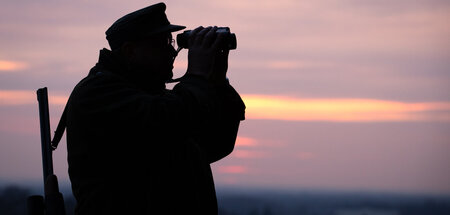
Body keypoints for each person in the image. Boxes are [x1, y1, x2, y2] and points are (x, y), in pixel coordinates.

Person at [65, 3, 245, 215]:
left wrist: (217, 82)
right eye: (161, 43)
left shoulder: (157, 97)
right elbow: (168, 122)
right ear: (130, 51)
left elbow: (216, 144)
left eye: (171, 41)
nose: (171, 50)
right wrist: (197, 76)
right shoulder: (97, 94)